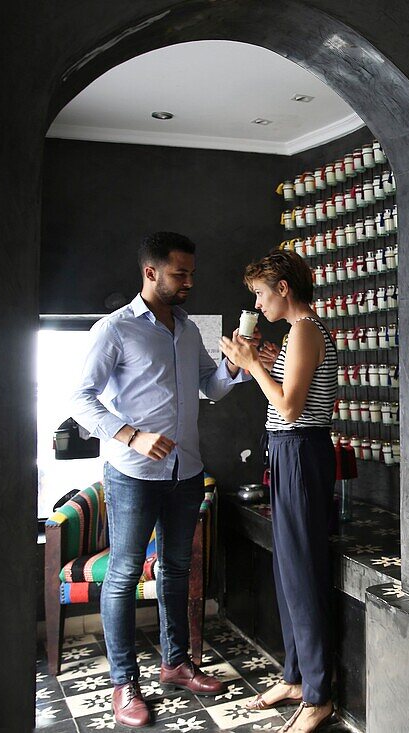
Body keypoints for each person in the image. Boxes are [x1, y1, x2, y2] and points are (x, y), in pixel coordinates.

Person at [72, 232, 256, 727]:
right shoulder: (114, 330)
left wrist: (237, 367)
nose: (190, 282)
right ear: (151, 272)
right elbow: (79, 399)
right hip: (133, 474)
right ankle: (122, 684)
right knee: (125, 575)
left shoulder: (188, 329)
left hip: (187, 471)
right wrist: (130, 435)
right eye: (181, 274)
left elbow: (210, 388)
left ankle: (175, 664)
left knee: (177, 570)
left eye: (192, 273)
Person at [219, 249, 338, 733]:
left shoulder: (307, 329)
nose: (258, 303)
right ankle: (295, 677)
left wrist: (252, 364)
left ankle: (319, 696)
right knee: (288, 566)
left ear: (283, 289)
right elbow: (291, 394)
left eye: (260, 293)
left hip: (301, 451)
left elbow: (289, 408)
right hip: (289, 452)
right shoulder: (296, 335)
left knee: (304, 570)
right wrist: (265, 361)